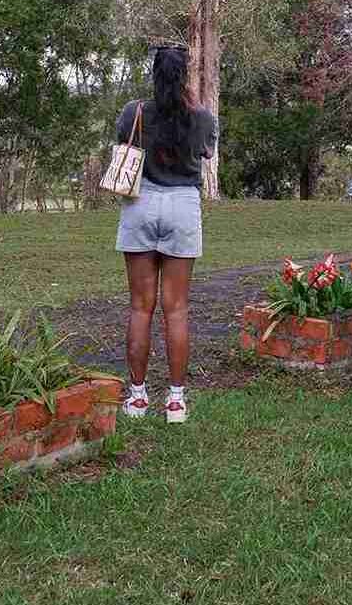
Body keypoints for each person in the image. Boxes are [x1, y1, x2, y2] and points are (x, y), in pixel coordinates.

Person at [114, 45, 217, 423]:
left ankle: (138, 398)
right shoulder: (202, 117)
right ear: (185, 74)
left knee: (140, 307)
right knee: (177, 309)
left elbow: (122, 145)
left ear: (154, 74)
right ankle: (175, 402)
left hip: (140, 203)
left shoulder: (134, 111)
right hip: (182, 205)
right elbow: (206, 154)